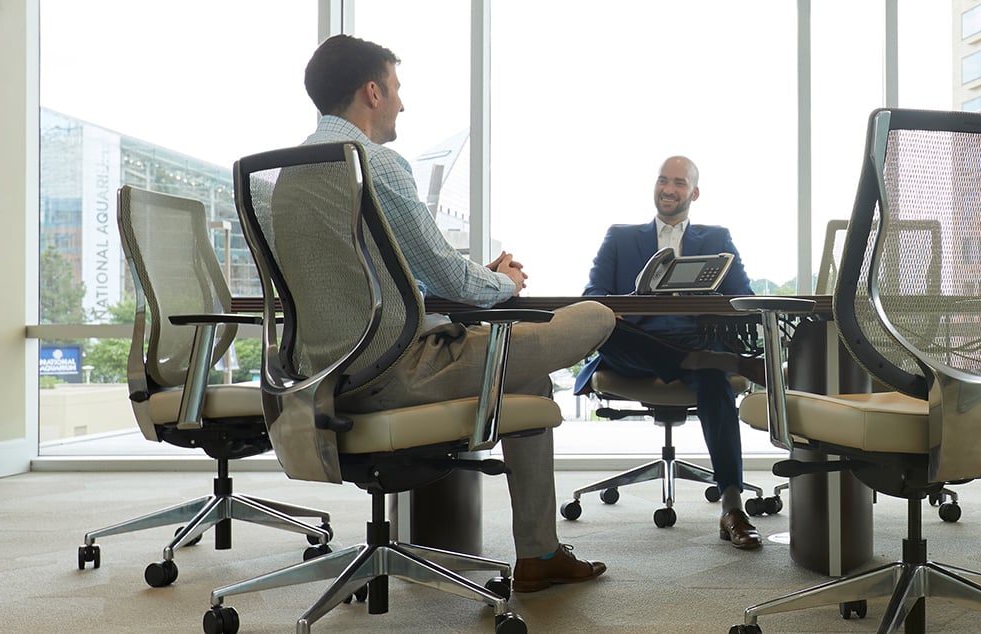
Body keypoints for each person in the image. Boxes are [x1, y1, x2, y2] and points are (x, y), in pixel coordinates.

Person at [300, 34, 612, 592]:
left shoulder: (288, 176)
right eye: (396, 89)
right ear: (372, 92)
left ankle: (541, 555)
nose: (401, 103)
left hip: (321, 381)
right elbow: (450, 279)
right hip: (401, 373)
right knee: (595, 316)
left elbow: (376, 277)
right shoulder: (377, 164)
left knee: (532, 382)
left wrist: (474, 278)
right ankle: (539, 554)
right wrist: (504, 281)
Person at [572, 156, 766, 550]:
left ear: (693, 192)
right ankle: (690, 360)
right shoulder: (620, 237)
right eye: (663, 180)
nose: (668, 189)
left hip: (695, 344)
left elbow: (744, 298)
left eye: (678, 183)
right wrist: (621, 305)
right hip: (634, 347)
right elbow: (592, 296)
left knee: (712, 374)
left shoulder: (717, 239)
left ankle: (732, 505)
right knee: (607, 330)